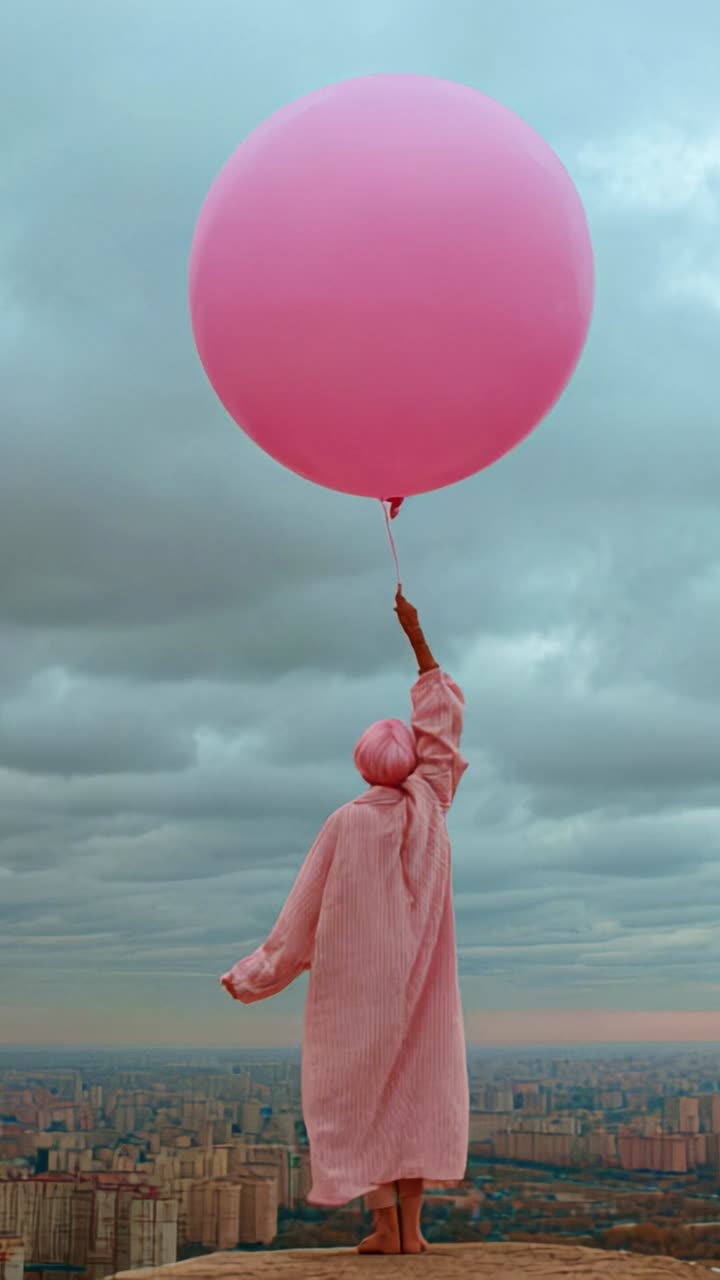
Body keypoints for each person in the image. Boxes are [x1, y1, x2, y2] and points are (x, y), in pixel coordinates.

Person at [221, 586, 469, 1254]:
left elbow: (298, 921)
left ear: (363, 763)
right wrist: (416, 637)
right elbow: (444, 718)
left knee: (358, 1105)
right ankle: (412, 1235)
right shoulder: (433, 807)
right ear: (412, 761)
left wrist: (255, 976)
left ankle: (385, 1229)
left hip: (356, 1000)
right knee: (415, 1098)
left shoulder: (347, 823)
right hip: (424, 995)